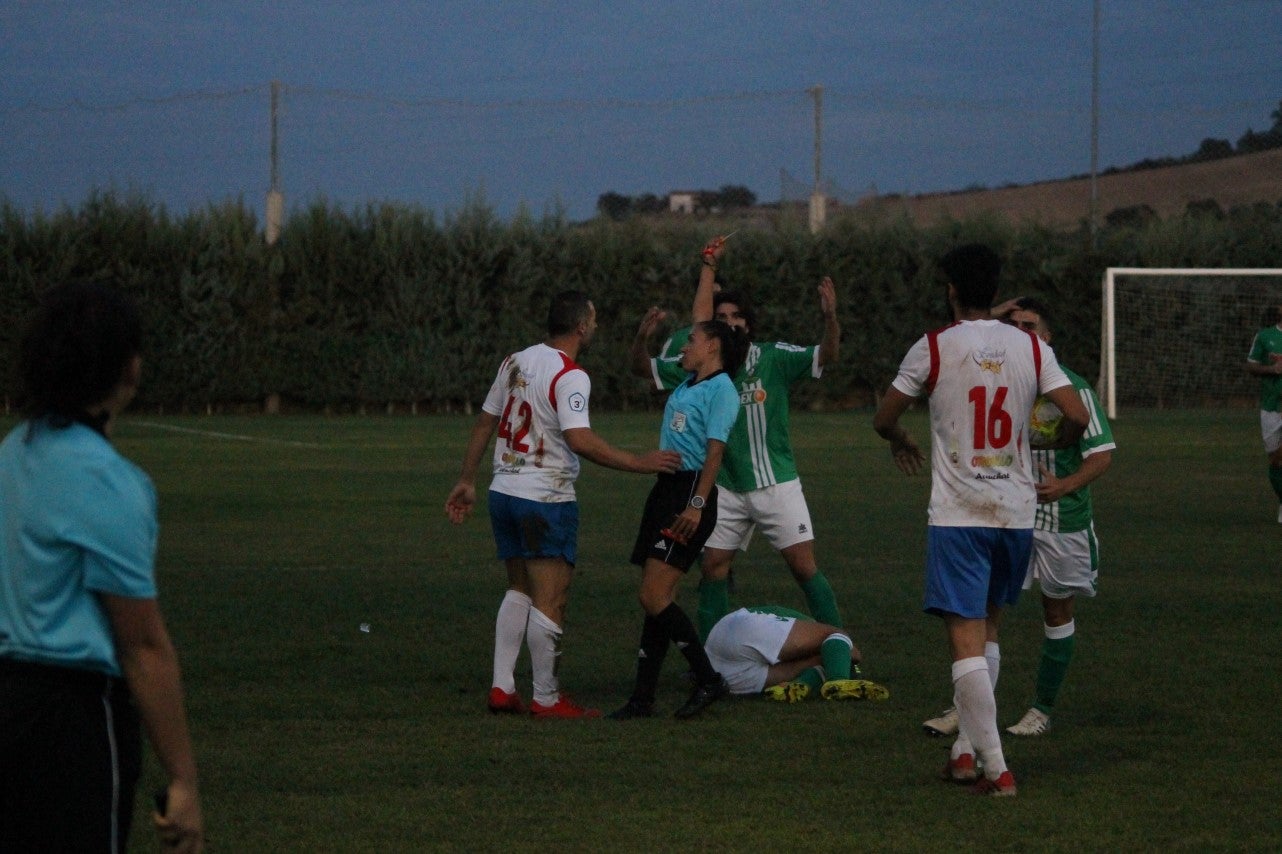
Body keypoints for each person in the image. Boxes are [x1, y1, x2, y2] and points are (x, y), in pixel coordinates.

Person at [872, 244, 1089, 797]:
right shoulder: (1031, 348)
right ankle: (964, 753)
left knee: (965, 643)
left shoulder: (935, 347)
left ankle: (998, 769)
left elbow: (884, 416)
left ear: (950, 290)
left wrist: (900, 438)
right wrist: (1052, 439)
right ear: (995, 291)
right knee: (988, 631)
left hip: (959, 514)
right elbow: (1078, 416)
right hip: (1015, 513)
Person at [0, 281, 204, 852]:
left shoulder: (13, 453)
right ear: (127, 369)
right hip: (75, 722)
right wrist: (184, 779)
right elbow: (142, 646)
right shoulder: (111, 482)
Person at [445, 290, 681, 719]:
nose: (596, 325)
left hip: (504, 492)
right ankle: (547, 699)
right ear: (580, 327)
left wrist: (466, 479)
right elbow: (579, 440)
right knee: (551, 598)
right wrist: (639, 462)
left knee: (518, 586)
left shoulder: (514, 360)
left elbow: (485, 421)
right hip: (545, 498)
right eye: (593, 319)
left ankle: (502, 688)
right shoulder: (571, 375)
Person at [629, 235, 843, 642]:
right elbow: (646, 368)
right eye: (722, 316)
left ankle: (840, 647)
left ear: (749, 323)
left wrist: (831, 319)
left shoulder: (773, 356)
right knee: (713, 568)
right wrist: (705, 270)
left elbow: (825, 356)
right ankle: (713, 661)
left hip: (775, 482)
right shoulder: (700, 369)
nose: (729, 322)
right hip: (723, 488)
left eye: (736, 316)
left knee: (803, 566)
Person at [921, 296, 1115, 739]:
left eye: (1030, 327)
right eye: (1015, 325)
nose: (1021, 333)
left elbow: (1102, 454)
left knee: (1056, 611)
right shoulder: (1002, 381)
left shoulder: (1073, 387)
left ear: (1046, 339)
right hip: (1009, 516)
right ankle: (967, 713)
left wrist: (1062, 487)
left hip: (1063, 522)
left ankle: (1040, 709)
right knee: (982, 613)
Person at [609, 311, 749, 720]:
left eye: (691, 340)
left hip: (689, 495)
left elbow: (715, 451)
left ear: (712, 347)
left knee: (653, 596)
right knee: (657, 598)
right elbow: (641, 366)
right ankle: (642, 698)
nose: (684, 347)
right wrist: (642, 334)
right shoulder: (689, 383)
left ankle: (708, 678)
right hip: (666, 491)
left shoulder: (721, 389)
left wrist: (697, 504)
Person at [703, 605, 889, 702]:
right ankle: (839, 680)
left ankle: (802, 684)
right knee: (837, 635)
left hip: (719, 669)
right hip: (742, 630)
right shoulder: (801, 621)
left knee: (818, 660)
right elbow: (847, 647)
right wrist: (848, 655)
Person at [1245, 305, 1282, 522]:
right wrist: (1272, 370)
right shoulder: (1264, 336)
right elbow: (1251, 366)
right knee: (1275, 461)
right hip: (1270, 407)